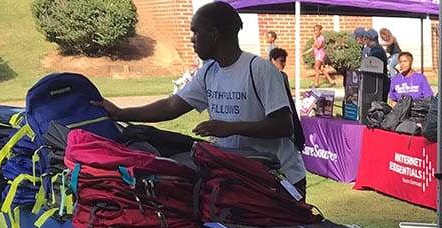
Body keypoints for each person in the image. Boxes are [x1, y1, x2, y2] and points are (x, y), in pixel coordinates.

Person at [93, 2, 307, 198]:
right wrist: (121, 113)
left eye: (196, 31)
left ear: (213, 34)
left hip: (281, 181)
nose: (191, 38)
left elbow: (283, 126)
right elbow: (171, 106)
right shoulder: (209, 72)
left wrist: (230, 128)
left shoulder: (259, 69)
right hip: (242, 177)